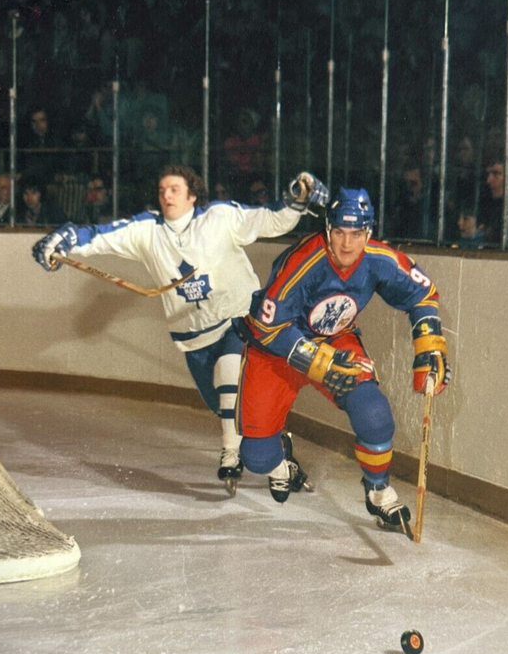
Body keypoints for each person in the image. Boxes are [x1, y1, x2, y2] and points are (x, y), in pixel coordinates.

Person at [32, 164, 328, 491]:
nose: (166, 195)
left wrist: (296, 201)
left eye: (174, 189)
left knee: (231, 376)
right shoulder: (147, 231)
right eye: (162, 190)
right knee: (227, 407)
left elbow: (268, 219)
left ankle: (231, 455)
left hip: (239, 321)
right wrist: (64, 240)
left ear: (192, 194)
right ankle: (281, 461)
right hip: (194, 338)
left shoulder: (219, 217)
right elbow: (101, 237)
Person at [236, 188, 450, 538]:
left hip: (334, 340)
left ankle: (378, 490)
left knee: (374, 414)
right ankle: (282, 461)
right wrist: (319, 362)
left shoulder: (379, 258)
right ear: (327, 229)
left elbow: (422, 294)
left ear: (368, 233)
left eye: (356, 234)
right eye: (339, 232)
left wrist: (429, 345)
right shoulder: (303, 261)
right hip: (276, 349)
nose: (347, 244)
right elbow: (266, 325)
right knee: (256, 457)